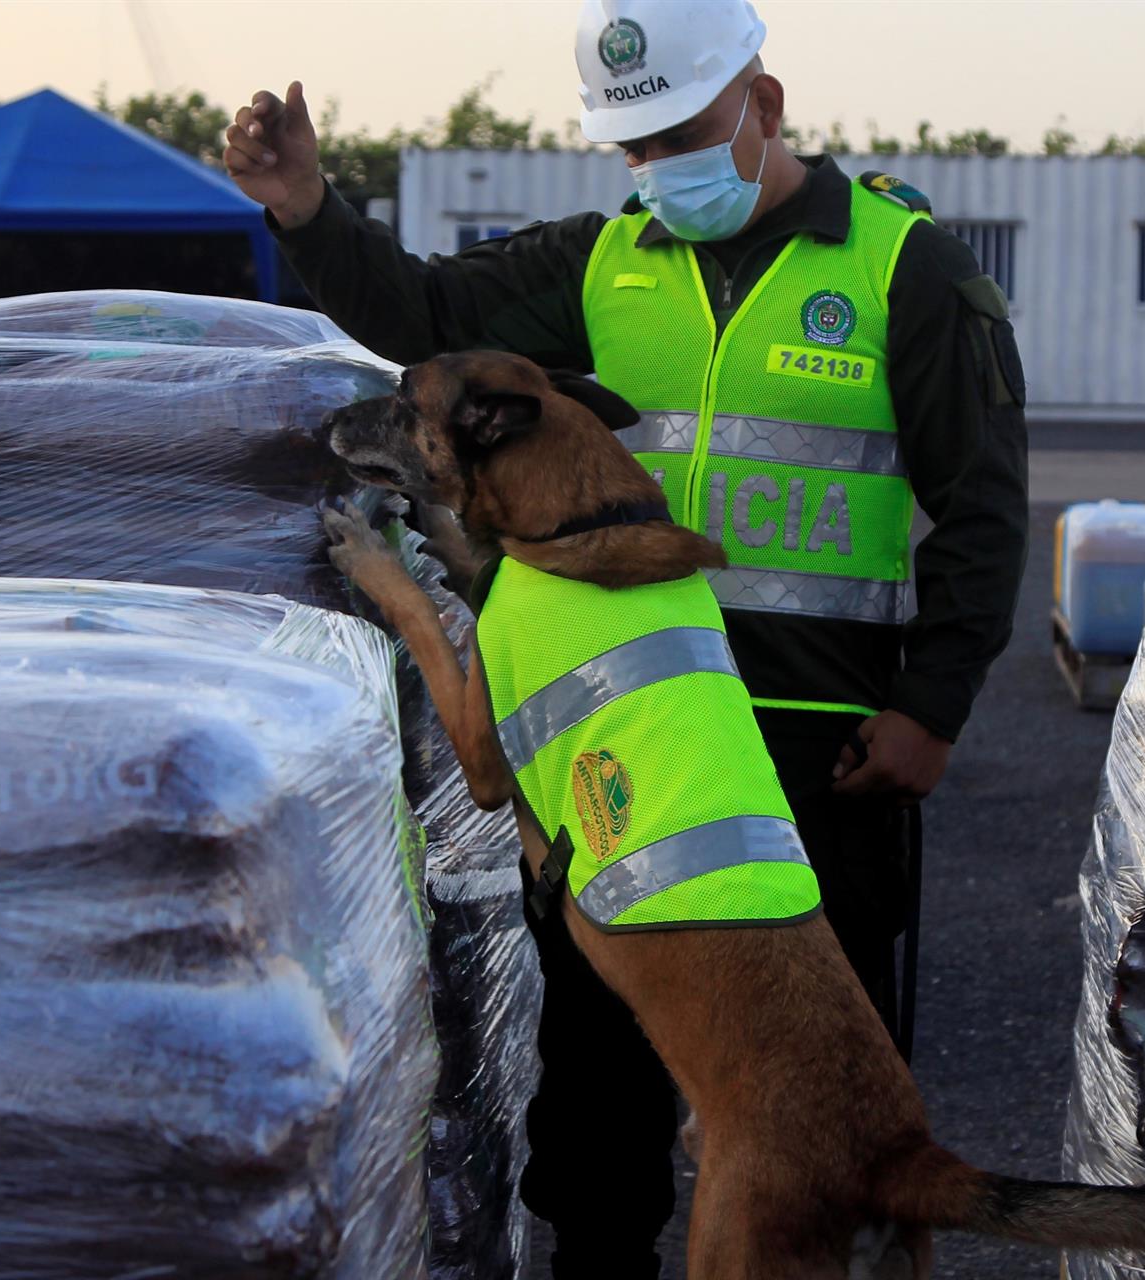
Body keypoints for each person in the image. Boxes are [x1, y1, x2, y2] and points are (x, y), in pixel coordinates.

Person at [225, 0, 1028, 1273]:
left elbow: (980, 504)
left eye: (680, 129)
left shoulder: (902, 267)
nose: (656, 168)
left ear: (762, 102)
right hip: (628, 751)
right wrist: (309, 208)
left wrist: (933, 705)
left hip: (818, 761)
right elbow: (425, 311)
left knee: (822, 1141)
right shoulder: (602, 261)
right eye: (634, 144)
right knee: (599, 1120)